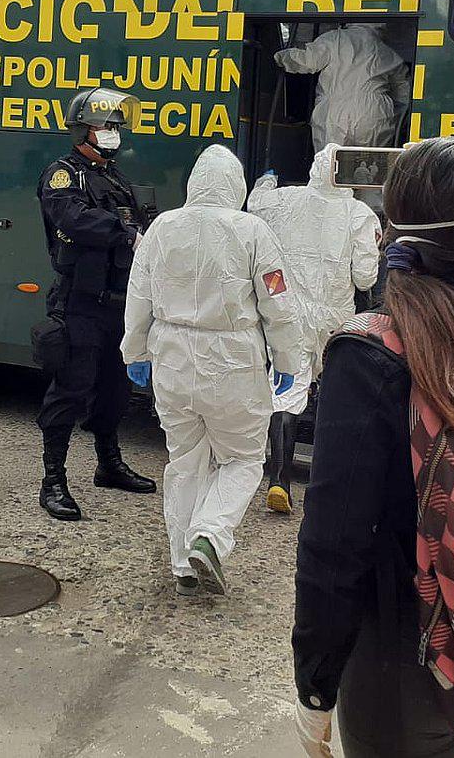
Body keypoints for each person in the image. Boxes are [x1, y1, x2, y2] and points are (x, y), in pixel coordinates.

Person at [291, 138, 454, 758]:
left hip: (404, 650)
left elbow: (335, 542)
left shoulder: (370, 354)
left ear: (393, 229)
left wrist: (316, 682)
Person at [121, 144, 304, 596]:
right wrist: (288, 361)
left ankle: (182, 561)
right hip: (233, 362)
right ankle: (210, 536)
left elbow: (137, 296)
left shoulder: (162, 227)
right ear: (237, 185)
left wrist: (135, 353)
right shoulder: (253, 231)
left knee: (185, 460)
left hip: (172, 360)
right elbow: (277, 304)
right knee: (242, 459)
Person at [35, 88, 158, 522]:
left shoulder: (116, 177)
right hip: (81, 302)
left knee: (114, 389)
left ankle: (109, 464)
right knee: (71, 389)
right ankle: (53, 481)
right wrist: (126, 234)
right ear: (83, 128)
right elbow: (73, 219)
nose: (113, 133)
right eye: (105, 126)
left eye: (116, 127)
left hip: (120, 304)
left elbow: (141, 221)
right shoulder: (64, 174)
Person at [246, 145, 380, 513]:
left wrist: (266, 180)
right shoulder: (360, 215)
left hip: (291, 314)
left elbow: (254, 206)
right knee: (336, 396)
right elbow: (365, 277)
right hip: (334, 318)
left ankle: (279, 482)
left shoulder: (284, 200)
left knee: (287, 392)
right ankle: (329, 487)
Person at [274, 23, 407, 153]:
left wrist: (280, 57)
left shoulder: (335, 39)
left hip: (336, 109)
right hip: (374, 112)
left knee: (329, 162)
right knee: (371, 164)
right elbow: (404, 94)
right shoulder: (388, 52)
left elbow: (308, 60)